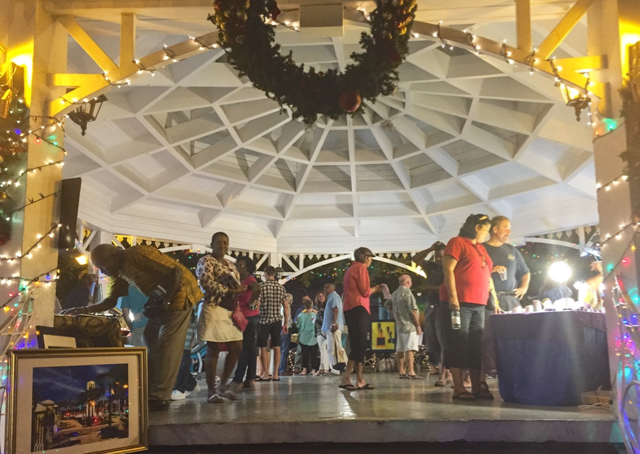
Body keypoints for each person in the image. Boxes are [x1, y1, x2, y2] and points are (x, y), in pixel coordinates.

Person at [63, 243, 203, 412]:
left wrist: (165, 301)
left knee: (168, 343)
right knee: (149, 337)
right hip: (161, 300)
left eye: (102, 266)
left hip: (181, 291)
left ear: (114, 257)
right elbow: (110, 301)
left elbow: (176, 272)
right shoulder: (119, 273)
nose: (102, 271)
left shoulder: (137, 253)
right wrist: (84, 309)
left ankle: (160, 398)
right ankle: (153, 383)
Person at [441, 214, 495, 401]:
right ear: (476, 227)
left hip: (479, 302)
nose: (487, 234)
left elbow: (484, 272)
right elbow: (448, 268)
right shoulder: (457, 242)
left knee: (476, 345)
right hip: (460, 302)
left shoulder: (480, 248)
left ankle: (476, 385)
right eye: (486, 229)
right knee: (458, 342)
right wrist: (453, 296)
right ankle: (458, 387)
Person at [196, 232, 246, 403]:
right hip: (214, 307)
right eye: (218, 243)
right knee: (214, 348)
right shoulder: (205, 261)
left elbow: (237, 283)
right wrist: (231, 291)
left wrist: (238, 290)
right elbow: (206, 283)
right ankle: (211, 391)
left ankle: (223, 385)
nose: (222, 246)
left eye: (225, 243)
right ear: (212, 244)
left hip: (230, 310)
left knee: (237, 346)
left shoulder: (231, 265)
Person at [340, 247, 381, 391]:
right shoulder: (361, 269)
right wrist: (376, 289)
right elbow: (365, 291)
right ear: (365, 258)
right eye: (370, 258)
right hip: (359, 307)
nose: (371, 261)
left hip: (349, 308)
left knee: (357, 343)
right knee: (360, 344)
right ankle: (346, 377)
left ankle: (360, 379)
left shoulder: (350, 270)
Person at [412, 241, 449, 385]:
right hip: (431, 307)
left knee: (443, 339)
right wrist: (430, 248)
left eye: (441, 256)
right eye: (437, 256)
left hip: (442, 306)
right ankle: (442, 369)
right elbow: (415, 259)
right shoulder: (431, 266)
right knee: (433, 342)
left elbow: (446, 287)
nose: (439, 259)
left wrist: (428, 287)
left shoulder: (449, 268)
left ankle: (444, 373)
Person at [484, 216, 530, 312]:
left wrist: (524, 287)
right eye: (506, 228)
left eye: (509, 229)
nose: (509, 232)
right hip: (489, 299)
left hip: (511, 298)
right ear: (495, 229)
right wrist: (492, 269)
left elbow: (525, 271)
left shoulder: (512, 250)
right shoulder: (481, 249)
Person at [231, 256, 262, 390]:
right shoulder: (241, 279)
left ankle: (238, 378)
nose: (239, 268)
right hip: (247, 317)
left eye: (241, 266)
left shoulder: (249, 279)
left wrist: (252, 302)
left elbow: (257, 289)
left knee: (244, 348)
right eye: (238, 265)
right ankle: (250, 377)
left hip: (248, 317)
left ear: (248, 267)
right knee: (250, 348)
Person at [257, 266, 289, 381]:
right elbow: (286, 306)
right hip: (277, 321)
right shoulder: (281, 288)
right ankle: (275, 374)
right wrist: (285, 323)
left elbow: (257, 305)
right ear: (274, 274)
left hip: (263, 320)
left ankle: (265, 373)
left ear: (265, 274)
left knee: (263, 347)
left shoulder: (261, 287)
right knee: (277, 346)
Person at [390, 275, 423, 379]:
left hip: (399, 325)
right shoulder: (408, 293)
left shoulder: (395, 293)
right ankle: (411, 372)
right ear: (408, 282)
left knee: (400, 348)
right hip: (409, 325)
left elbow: (387, 304)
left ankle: (401, 371)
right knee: (410, 348)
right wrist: (418, 325)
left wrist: (397, 313)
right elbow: (412, 311)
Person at [171, 309, 200, 400]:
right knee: (179, 361)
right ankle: (191, 384)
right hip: (177, 330)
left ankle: (180, 388)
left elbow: (194, 315)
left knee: (183, 361)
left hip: (186, 332)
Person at [322, 283, 345, 376]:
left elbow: (336, 310)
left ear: (328, 288)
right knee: (333, 347)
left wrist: (334, 323)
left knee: (333, 347)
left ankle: (336, 368)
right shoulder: (333, 297)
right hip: (331, 326)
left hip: (333, 327)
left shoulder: (333, 297)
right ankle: (336, 367)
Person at [297, 298, 319, 375]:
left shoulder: (300, 315)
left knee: (304, 354)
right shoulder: (315, 315)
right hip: (313, 337)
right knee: (314, 354)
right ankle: (314, 370)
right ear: (312, 306)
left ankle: (304, 370)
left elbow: (299, 326)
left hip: (303, 336)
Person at [278, 293, 295, 376]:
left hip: (278, 329)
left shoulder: (279, 307)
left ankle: (278, 369)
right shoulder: (287, 307)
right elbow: (288, 319)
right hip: (285, 329)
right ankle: (282, 370)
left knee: (280, 350)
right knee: (284, 351)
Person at [314, 292, 330, 375]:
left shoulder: (326, 307)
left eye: (322, 296)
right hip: (319, 330)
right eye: (319, 296)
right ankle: (323, 367)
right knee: (322, 349)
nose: (320, 297)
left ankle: (325, 368)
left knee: (326, 349)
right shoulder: (317, 308)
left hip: (325, 330)